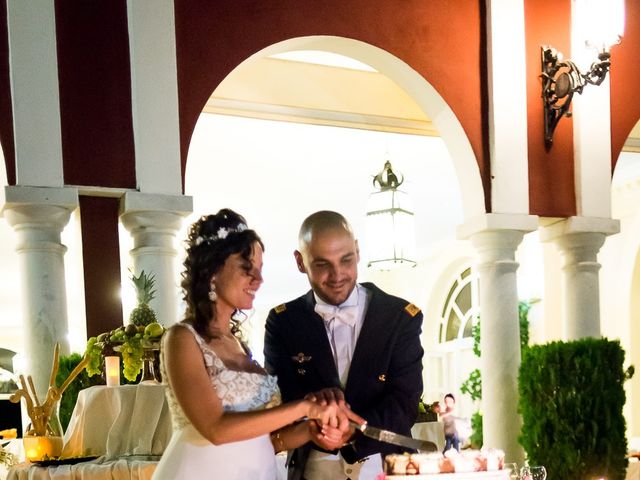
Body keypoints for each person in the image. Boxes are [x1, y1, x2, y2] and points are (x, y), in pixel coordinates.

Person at [154, 209, 359, 480]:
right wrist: (304, 407)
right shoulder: (182, 338)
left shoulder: (240, 346)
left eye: (260, 270)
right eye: (247, 268)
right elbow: (215, 429)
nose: (258, 280)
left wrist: (313, 427)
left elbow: (269, 440)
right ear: (212, 271)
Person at [264, 210, 424, 480]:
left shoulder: (399, 317)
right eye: (322, 264)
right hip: (314, 467)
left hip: (385, 465)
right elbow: (284, 400)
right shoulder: (284, 322)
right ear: (300, 262)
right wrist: (321, 430)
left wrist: (352, 432)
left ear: (358, 251)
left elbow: (404, 403)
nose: (337, 275)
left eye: (346, 260)